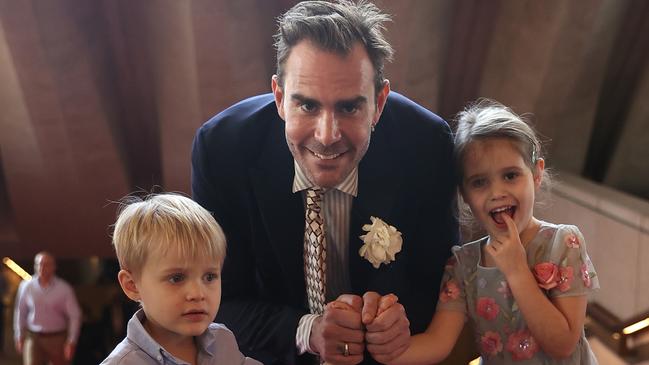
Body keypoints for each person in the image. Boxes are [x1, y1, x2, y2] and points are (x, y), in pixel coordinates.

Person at [191, 1, 458, 364]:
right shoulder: (223, 149)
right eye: (307, 106)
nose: (327, 135)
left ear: (379, 103)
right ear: (280, 98)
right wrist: (308, 331)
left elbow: (439, 282)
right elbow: (214, 302)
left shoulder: (426, 145)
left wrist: (396, 319)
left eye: (349, 107)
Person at [387, 99, 600, 364]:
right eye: (479, 182)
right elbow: (437, 343)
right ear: (464, 194)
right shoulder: (463, 265)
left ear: (536, 174)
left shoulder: (564, 243)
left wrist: (516, 270)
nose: (497, 193)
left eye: (510, 175)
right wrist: (370, 356)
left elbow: (563, 345)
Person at [101, 193, 262, 365]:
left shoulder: (222, 340)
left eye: (209, 277)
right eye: (176, 278)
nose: (198, 293)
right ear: (132, 285)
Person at [13, 252, 82, 365]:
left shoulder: (64, 289)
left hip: (57, 337)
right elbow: (20, 312)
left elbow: (75, 315)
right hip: (33, 336)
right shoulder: (26, 286)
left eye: (46, 264)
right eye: (39, 264)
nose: (42, 267)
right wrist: (19, 335)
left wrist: (71, 341)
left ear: (54, 267)